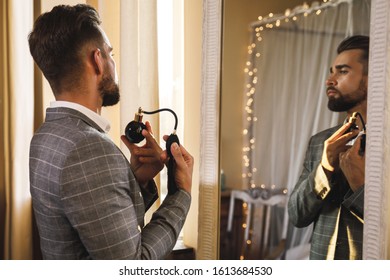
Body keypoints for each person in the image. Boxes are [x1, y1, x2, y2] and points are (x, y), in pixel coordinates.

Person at [28, 4, 193, 260]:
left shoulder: (45, 136)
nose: (114, 63)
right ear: (97, 61)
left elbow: (89, 222)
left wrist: (134, 181)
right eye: (111, 53)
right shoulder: (89, 148)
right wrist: (180, 193)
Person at [288, 35, 369, 260]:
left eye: (342, 71)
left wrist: (360, 187)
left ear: (372, 79)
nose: (329, 80)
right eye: (331, 71)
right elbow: (296, 216)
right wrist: (325, 167)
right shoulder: (319, 142)